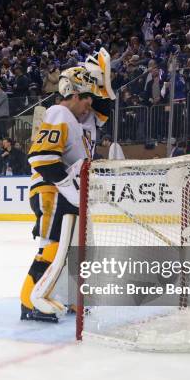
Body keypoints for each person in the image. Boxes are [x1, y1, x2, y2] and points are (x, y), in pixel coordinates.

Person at [20, 49, 115, 323]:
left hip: (69, 195)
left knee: (78, 250)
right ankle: (28, 301)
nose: (90, 103)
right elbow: (42, 158)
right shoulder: (60, 112)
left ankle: (75, 300)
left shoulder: (80, 121)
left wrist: (103, 81)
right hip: (52, 191)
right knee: (51, 248)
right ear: (74, 96)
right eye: (86, 97)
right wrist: (68, 184)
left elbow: (103, 107)